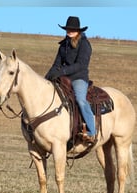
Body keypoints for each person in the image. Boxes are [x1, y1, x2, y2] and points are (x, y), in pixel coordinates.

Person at [45, 16, 95, 144]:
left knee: (80, 100)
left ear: (78, 30)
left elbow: (81, 65)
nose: (69, 31)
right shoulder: (63, 45)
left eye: (72, 29)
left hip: (79, 78)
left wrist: (62, 72)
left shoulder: (84, 44)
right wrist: (48, 77)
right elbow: (56, 64)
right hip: (64, 78)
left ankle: (91, 131)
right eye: (68, 29)